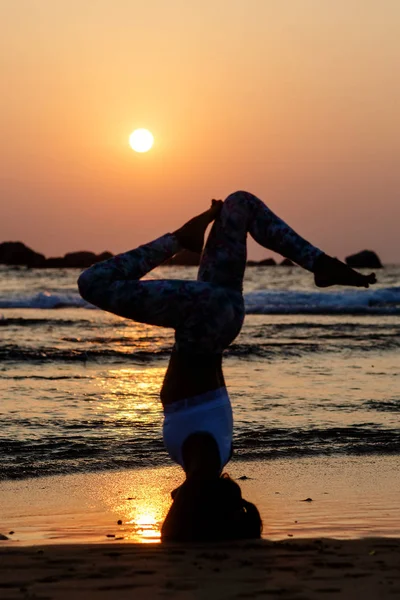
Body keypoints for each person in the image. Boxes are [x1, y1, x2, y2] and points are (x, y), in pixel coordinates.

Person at [77, 191, 376, 541]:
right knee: (92, 283)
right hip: (202, 317)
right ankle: (178, 240)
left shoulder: (215, 457)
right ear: (192, 503)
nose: (170, 499)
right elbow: (202, 491)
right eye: (175, 508)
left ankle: (320, 264)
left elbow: (207, 492)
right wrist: (190, 520)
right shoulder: (203, 462)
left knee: (240, 204)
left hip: (223, 310)